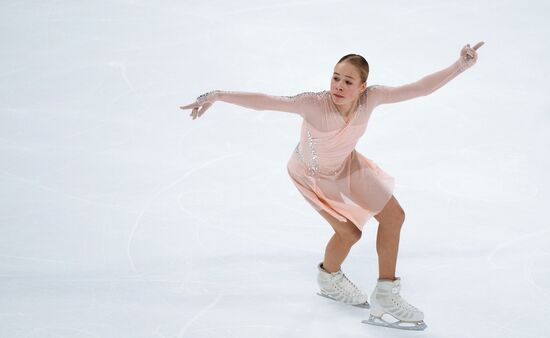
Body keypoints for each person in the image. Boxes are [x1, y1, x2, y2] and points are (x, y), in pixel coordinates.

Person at [180, 42, 484, 331]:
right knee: (350, 232)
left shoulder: (372, 98)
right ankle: (328, 277)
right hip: (310, 174)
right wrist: (216, 95)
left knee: (394, 216)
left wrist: (460, 65)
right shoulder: (313, 104)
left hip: (347, 165)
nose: (339, 86)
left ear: (362, 87)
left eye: (348, 82)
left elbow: (418, 89)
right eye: (336, 78)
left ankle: (386, 294)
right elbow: (266, 101)